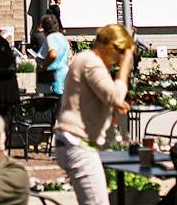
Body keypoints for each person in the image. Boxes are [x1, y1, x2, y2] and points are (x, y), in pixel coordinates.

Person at [53, 23, 134, 205]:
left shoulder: (86, 60)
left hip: (73, 141)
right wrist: (125, 67)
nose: (118, 59)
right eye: (120, 53)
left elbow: (104, 97)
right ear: (112, 47)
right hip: (78, 143)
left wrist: (112, 105)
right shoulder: (91, 62)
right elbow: (114, 95)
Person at [37, 13, 70, 96]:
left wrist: (43, 67)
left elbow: (53, 54)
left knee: (52, 105)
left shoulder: (51, 37)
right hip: (63, 78)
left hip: (53, 79)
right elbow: (70, 57)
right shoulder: (63, 38)